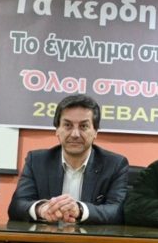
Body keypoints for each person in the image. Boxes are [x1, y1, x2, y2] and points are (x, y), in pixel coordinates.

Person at [8, 95, 130, 224]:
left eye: (83, 126)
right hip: (46, 235)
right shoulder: (37, 161)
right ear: (57, 129)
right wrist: (41, 209)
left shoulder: (114, 165)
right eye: (67, 125)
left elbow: (117, 212)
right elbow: (16, 207)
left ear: (95, 131)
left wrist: (80, 210)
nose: (75, 134)